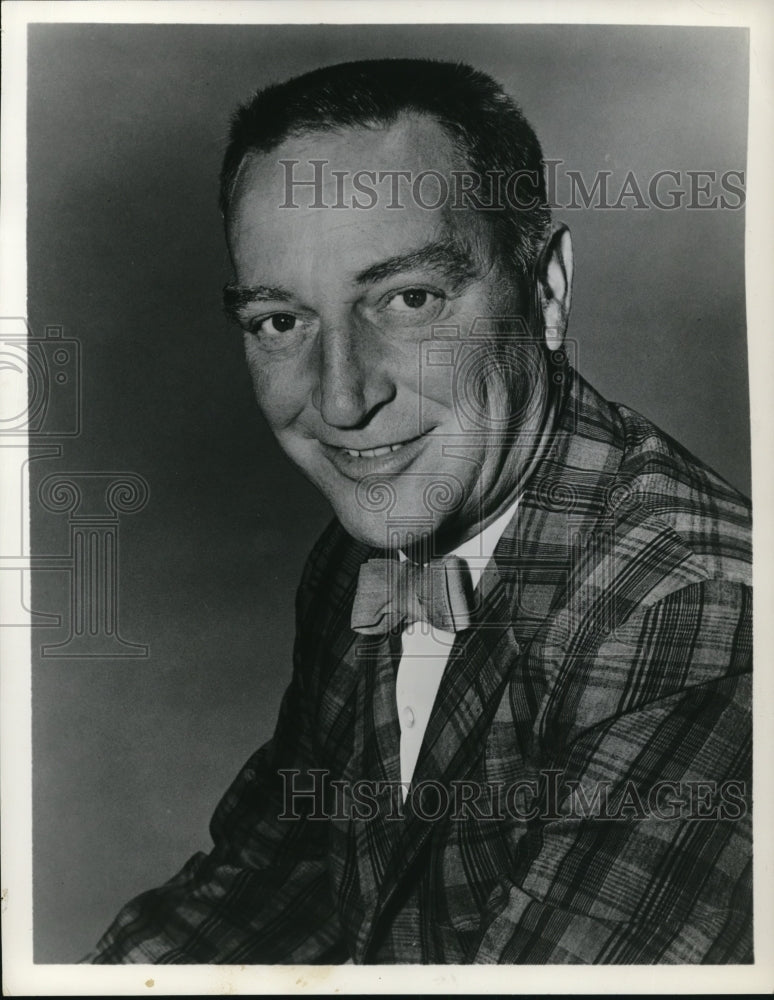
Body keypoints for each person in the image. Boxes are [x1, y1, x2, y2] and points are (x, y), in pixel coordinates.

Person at [86, 59, 752, 964]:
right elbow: (268, 889)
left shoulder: (697, 615)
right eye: (280, 320)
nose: (342, 398)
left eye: (408, 300)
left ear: (546, 292)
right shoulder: (362, 553)